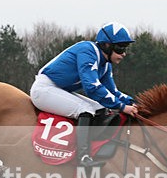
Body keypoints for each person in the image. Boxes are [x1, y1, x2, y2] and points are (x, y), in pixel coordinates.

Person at [30, 22, 139, 166]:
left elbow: (113, 92)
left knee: (100, 109)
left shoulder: (105, 65)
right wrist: (122, 107)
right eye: (120, 48)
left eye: (125, 49)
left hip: (59, 90)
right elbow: (92, 87)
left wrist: (131, 102)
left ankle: (94, 149)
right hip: (43, 90)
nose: (123, 54)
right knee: (86, 110)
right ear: (106, 45)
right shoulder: (87, 51)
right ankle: (83, 157)